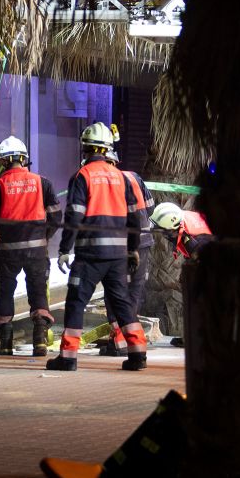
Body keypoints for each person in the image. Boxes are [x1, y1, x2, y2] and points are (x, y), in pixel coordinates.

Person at [49, 122, 147, 371]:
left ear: (85, 149)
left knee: (76, 302)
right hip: (117, 256)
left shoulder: (82, 176)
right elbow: (135, 217)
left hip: (89, 256)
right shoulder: (121, 177)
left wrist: (64, 250)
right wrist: (133, 249)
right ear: (107, 148)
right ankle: (138, 355)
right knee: (122, 303)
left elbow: (74, 216)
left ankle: (68, 358)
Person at [0, 136, 62, 356]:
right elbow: (56, 217)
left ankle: (5, 342)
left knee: (4, 293)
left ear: (3, 162)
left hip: (7, 251)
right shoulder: (43, 182)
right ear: (24, 159)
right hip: (37, 250)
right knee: (38, 291)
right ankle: (39, 341)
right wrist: (44, 236)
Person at [100, 149, 156, 357]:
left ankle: (119, 339)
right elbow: (150, 209)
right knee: (135, 289)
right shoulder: (134, 177)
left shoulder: (99, 183)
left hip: (116, 245)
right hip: (142, 242)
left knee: (114, 289)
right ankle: (131, 340)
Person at [150, 201, 214, 348]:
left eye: (162, 230)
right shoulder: (181, 222)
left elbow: (204, 260)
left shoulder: (194, 238)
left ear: (170, 227)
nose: (162, 235)